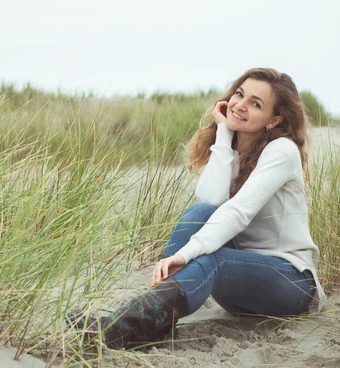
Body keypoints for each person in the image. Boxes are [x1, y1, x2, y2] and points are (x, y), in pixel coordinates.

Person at [74, 68, 326, 350]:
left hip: (290, 284)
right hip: (239, 287)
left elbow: (238, 211)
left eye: (256, 104)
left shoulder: (282, 150)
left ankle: (120, 329)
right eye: (239, 94)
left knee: (214, 259)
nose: (241, 105)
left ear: (274, 120)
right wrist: (223, 132)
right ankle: (154, 323)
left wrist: (186, 254)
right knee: (199, 213)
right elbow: (211, 199)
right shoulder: (234, 149)